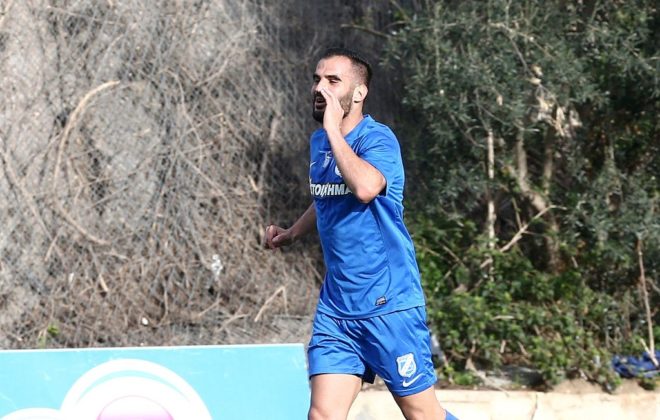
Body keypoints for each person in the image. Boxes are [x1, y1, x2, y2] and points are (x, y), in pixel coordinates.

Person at [264, 47, 458, 420]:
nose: (319, 88)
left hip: (388, 303)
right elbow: (327, 195)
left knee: (423, 415)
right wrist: (292, 233)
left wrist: (333, 130)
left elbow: (365, 187)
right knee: (323, 414)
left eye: (332, 81)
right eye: (316, 79)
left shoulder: (377, 140)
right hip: (337, 309)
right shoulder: (321, 142)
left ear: (358, 93)